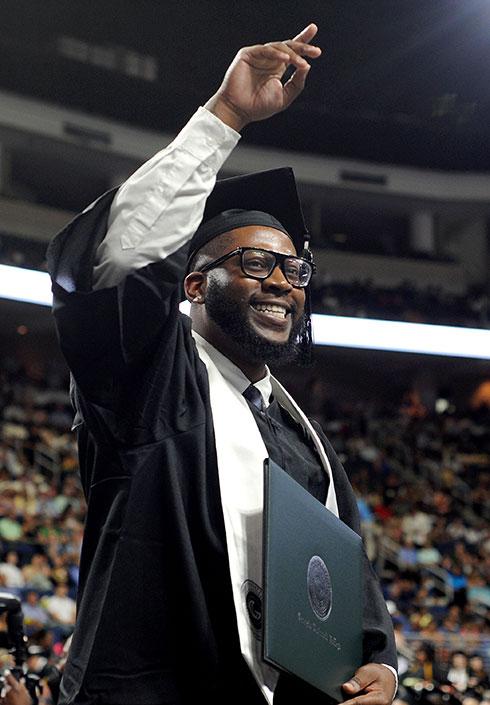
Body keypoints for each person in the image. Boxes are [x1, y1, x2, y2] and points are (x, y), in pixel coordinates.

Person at [47, 23, 397, 705]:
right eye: (254, 263)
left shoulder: (311, 443)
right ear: (193, 283)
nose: (281, 282)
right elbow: (118, 259)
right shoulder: (150, 376)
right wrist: (226, 116)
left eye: (293, 268)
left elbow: (346, 583)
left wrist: (382, 664)